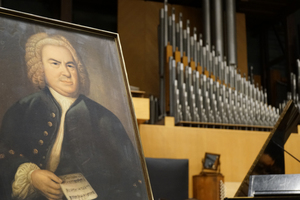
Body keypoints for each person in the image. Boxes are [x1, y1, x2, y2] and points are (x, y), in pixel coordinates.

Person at [0, 32, 146, 200]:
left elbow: (132, 178)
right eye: (55, 63)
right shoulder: (23, 109)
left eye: (70, 65)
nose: (66, 72)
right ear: (41, 69)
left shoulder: (104, 118)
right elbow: (4, 155)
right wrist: (31, 175)